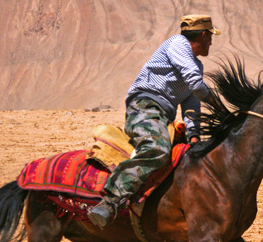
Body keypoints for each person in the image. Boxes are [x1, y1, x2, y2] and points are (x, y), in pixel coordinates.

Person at [87, 14, 221, 228]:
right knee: (157, 149)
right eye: (210, 37)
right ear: (204, 35)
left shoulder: (195, 64)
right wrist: (217, 103)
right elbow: (196, 86)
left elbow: (191, 104)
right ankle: (110, 201)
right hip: (145, 108)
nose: (212, 43)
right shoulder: (178, 44)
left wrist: (195, 135)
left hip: (164, 118)